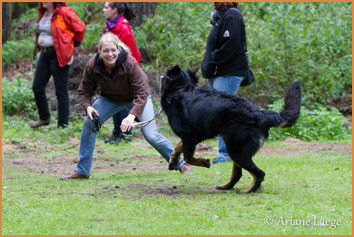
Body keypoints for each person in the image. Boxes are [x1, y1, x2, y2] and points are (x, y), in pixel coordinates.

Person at [61, 33, 191, 179]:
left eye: (113, 50)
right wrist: (87, 107)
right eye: (105, 51)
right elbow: (84, 91)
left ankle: (180, 163)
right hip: (110, 99)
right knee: (88, 123)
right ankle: (82, 171)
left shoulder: (129, 63)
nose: (110, 54)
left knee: (151, 135)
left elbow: (142, 92)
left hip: (137, 98)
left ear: (118, 49)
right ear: (99, 52)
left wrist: (131, 115)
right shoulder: (93, 65)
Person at [201, 2, 248, 163]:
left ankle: (227, 153)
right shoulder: (220, 17)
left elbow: (231, 43)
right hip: (218, 72)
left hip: (228, 72)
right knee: (219, 112)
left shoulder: (232, 15)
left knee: (223, 112)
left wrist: (214, 59)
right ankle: (228, 151)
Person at [31, 2, 86, 128]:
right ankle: (44, 118)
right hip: (44, 54)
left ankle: (63, 124)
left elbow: (80, 27)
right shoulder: (43, 12)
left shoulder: (64, 12)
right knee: (37, 87)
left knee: (60, 91)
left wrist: (74, 44)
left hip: (59, 54)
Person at [102, 2, 141, 144]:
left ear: (115, 10)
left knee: (124, 103)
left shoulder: (123, 28)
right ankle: (116, 133)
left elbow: (135, 53)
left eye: (106, 7)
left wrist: (131, 72)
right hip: (112, 71)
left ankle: (124, 135)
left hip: (125, 72)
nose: (104, 10)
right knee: (114, 100)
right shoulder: (108, 27)